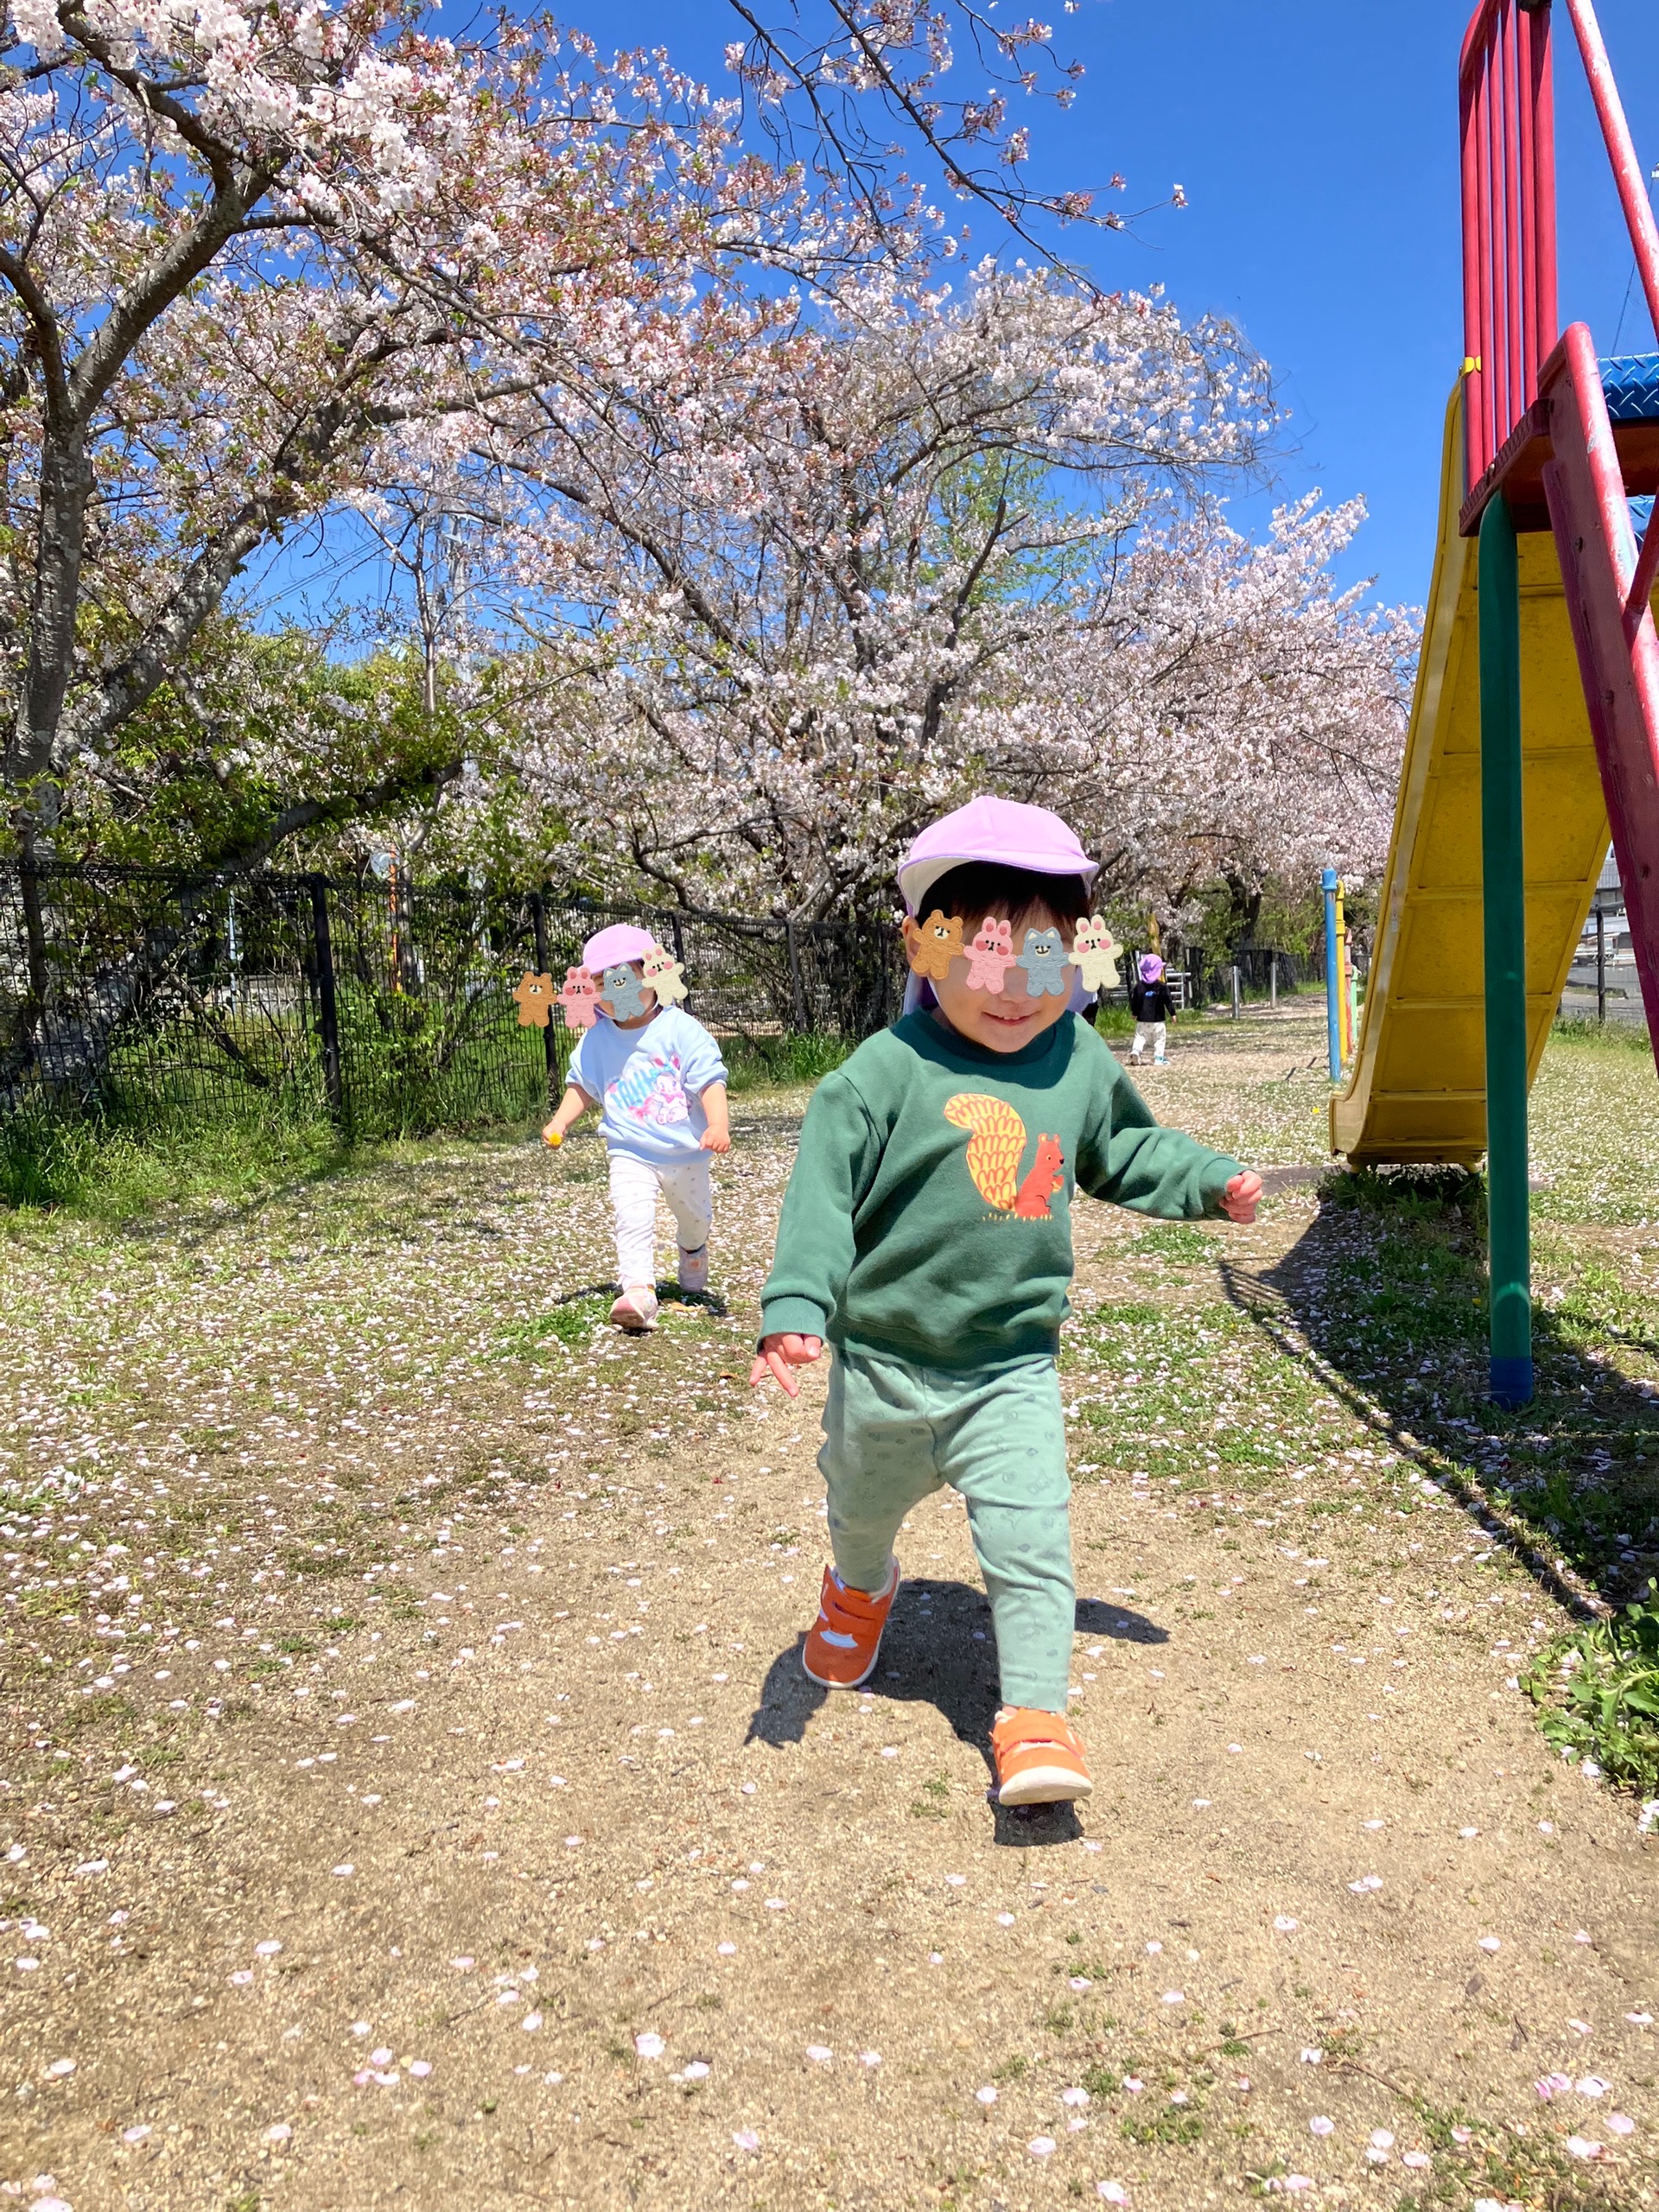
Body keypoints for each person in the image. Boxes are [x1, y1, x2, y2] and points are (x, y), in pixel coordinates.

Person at [748, 796, 1262, 1807]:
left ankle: (1033, 1713)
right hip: (884, 1360)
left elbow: (1126, 1148)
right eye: (987, 956)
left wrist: (1207, 1180)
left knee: (1032, 1540)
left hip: (1009, 1367)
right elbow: (822, 1193)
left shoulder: (1075, 1057)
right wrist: (797, 1302)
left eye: (1043, 957)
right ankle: (859, 1588)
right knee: (860, 1507)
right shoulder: (883, 1073)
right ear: (925, 947)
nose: (1017, 987)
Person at [541, 923, 730, 1332]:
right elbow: (581, 1084)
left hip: (685, 1151)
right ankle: (638, 1290)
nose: (615, 995)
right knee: (632, 1216)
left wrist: (717, 1123)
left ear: (650, 976)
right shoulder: (597, 1039)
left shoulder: (680, 1029)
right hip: (629, 1149)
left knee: (695, 1217)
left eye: (623, 981)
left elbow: (710, 1080)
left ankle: (693, 1248)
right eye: (602, 986)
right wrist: (560, 1120)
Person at [1128, 952, 1176, 1066]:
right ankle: (1158, 1058)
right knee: (1160, 1039)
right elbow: (1168, 1001)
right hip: (1158, 1021)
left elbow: (1135, 1001)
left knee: (1140, 1037)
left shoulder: (1139, 987)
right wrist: (1173, 1014)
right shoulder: (1162, 987)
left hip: (1142, 1020)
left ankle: (1136, 1051)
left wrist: (1134, 1013)